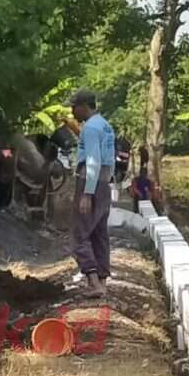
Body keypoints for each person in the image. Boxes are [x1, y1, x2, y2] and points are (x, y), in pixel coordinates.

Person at [68, 89, 116, 294]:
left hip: (90, 182)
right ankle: (102, 282)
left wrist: (87, 193)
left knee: (79, 235)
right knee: (99, 234)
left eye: (74, 107)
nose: (72, 112)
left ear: (84, 106)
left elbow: (93, 160)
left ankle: (93, 283)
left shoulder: (90, 129)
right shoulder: (105, 126)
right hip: (104, 184)